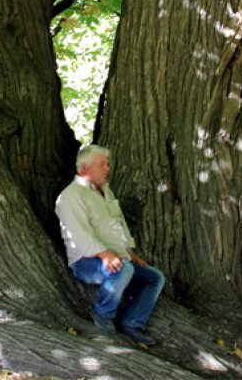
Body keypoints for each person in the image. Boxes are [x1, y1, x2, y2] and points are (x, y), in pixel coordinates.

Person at [55, 145, 165, 346]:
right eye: (102, 165)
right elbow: (78, 234)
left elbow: (119, 222)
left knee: (154, 277)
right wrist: (104, 253)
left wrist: (130, 252)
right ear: (85, 168)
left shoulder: (105, 191)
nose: (107, 168)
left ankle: (132, 323)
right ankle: (103, 315)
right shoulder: (71, 195)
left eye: (107, 164)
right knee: (122, 270)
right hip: (86, 260)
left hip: (117, 256)